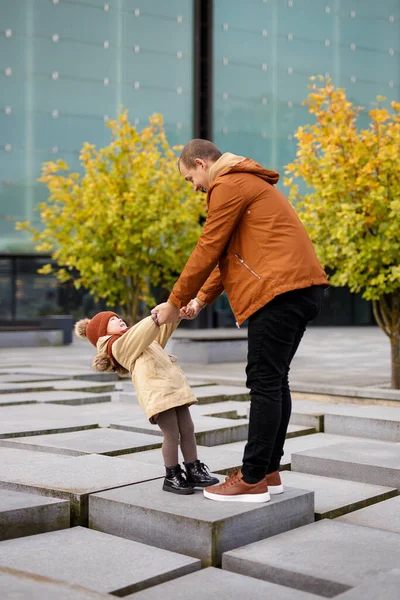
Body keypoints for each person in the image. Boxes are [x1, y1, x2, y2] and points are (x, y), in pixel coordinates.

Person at [152, 139, 329, 503]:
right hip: (299, 288)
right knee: (275, 380)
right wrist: (201, 299)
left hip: (278, 291)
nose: (195, 188)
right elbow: (230, 252)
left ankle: (251, 479)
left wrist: (174, 301)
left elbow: (209, 246)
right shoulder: (246, 182)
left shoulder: (228, 184)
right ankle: (268, 471)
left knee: (264, 381)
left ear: (201, 164)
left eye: (190, 179)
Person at [75, 310, 219, 495]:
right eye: (113, 320)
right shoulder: (118, 345)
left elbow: (160, 331)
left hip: (173, 388)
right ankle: (172, 476)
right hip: (156, 393)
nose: (119, 320)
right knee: (172, 433)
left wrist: (175, 314)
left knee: (188, 429)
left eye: (119, 317)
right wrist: (155, 317)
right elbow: (142, 331)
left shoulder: (139, 338)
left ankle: (194, 470)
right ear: (103, 332)